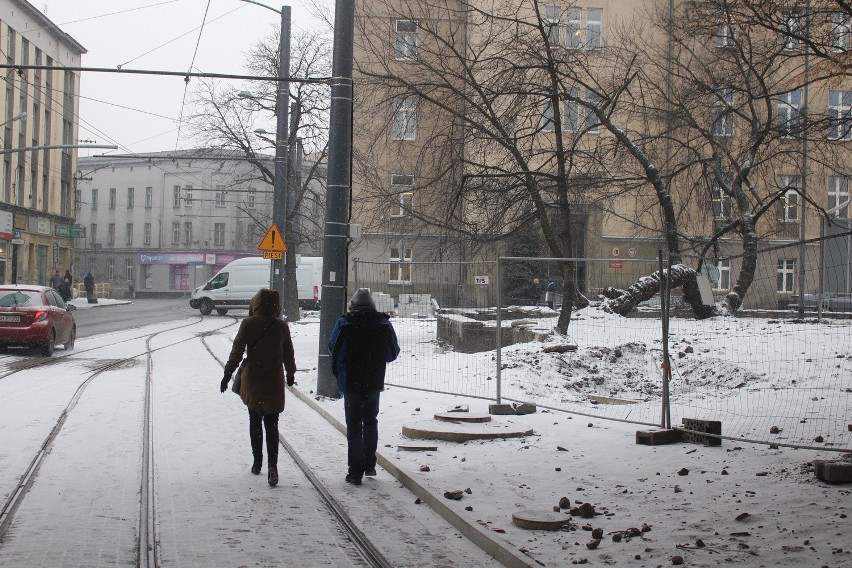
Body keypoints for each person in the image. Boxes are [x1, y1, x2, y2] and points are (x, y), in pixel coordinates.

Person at [220, 288, 296, 487]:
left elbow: (237, 350)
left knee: (254, 419)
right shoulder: (281, 326)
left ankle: (257, 462)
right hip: (273, 379)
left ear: (256, 304)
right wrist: (291, 373)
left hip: (253, 378)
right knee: (272, 424)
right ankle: (273, 466)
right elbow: (288, 353)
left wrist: (228, 374)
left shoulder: (248, 323)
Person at [328, 288, 400, 486]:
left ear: (352, 305)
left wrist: (339, 374)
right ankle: (370, 463)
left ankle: (355, 471)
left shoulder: (344, 323)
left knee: (353, 426)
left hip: (351, 382)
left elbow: (334, 350)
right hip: (374, 382)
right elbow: (392, 353)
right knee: (370, 421)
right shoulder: (383, 323)